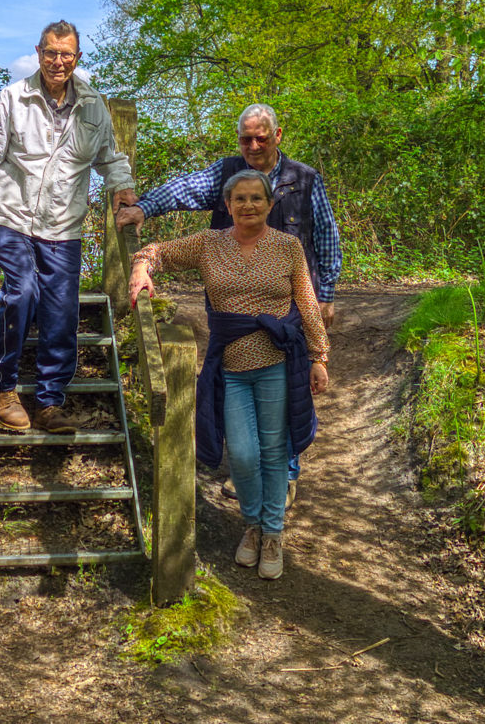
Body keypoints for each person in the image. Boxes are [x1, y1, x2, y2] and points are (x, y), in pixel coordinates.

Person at [117, 103, 341, 501]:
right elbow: (184, 189)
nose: (253, 146)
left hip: (286, 304)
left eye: (261, 138)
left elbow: (326, 237)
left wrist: (324, 296)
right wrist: (142, 208)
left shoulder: (305, 179)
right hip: (229, 309)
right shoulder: (225, 174)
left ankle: (284, 473)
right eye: (245, 139)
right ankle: (246, 468)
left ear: (277, 136)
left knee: (287, 387)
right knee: (235, 387)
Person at [129, 169, 328, 579]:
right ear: (228, 204)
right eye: (240, 198)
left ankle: (271, 534)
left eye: (256, 198)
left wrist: (319, 356)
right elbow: (156, 251)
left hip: (277, 364)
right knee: (240, 454)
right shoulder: (208, 244)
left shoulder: (288, 247)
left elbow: (307, 303)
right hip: (230, 368)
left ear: (270, 204)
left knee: (274, 451)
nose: (248, 205)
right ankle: (252, 524)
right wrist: (141, 268)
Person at [0, 21, 135, 433]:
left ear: (77, 58)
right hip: (13, 219)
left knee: (61, 313)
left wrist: (122, 186)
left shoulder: (93, 105)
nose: (58, 61)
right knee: (22, 292)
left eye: (66, 54)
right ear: (38, 52)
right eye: (50, 52)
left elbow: (109, 157)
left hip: (64, 227)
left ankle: (49, 401)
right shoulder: (13, 97)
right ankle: (2, 387)